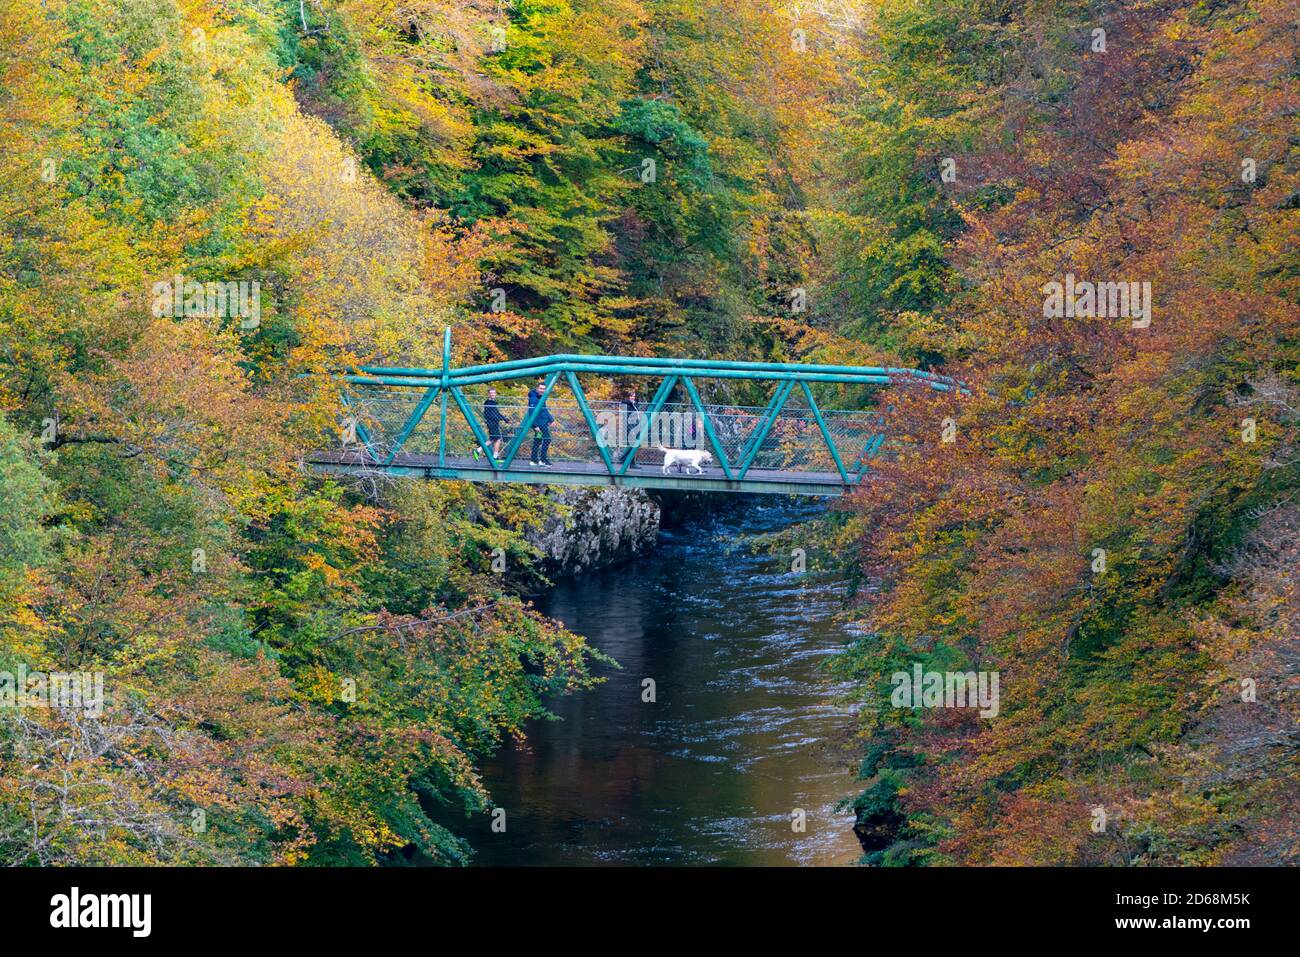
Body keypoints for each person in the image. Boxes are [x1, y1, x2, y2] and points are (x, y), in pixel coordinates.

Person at [474, 388, 505, 462]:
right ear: (488, 394)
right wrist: (502, 418)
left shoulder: (493, 402)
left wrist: (504, 418)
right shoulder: (488, 403)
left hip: (494, 423)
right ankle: (494, 456)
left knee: (493, 439)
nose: (493, 394)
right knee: (497, 439)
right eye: (491, 393)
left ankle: (478, 450)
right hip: (492, 424)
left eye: (494, 393)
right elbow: (491, 415)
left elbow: (496, 413)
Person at [527, 379, 553, 467]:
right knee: (547, 439)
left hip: (543, 422)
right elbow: (531, 413)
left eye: (544, 389)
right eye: (541, 388)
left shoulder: (541, 397)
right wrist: (535, 426)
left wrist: (551, 419)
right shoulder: (533, 398)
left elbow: (544, 409)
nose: (542, 390)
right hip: (539, 424)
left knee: (538, 440)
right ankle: (542, 460)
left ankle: (534, 460)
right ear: (537, 388)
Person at [617, 389, 640, 468]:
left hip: (635, 426)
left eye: (634, 396)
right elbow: (626, 415)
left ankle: (627, 461)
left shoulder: (634, 404)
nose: (633, 398)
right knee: (632, 444)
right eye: (631, 396)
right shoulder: (626, 404)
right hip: (629, 427)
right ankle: (626, 460)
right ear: (628, 397)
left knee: (633, 445)